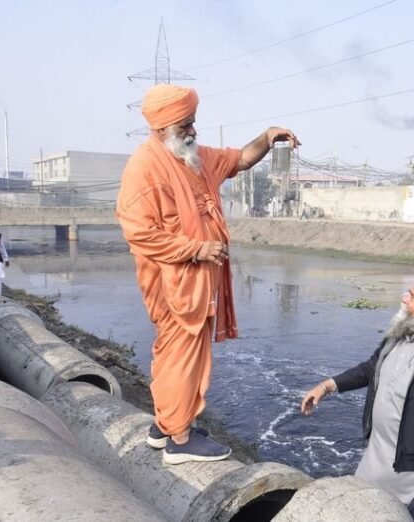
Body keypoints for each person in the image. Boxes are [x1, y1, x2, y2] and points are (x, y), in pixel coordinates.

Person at [116, 84, 300, 465]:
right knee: (181, 354)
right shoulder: (144, 167)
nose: (193, 131)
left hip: (197, 282)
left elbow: (242, 158)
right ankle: (180, 441)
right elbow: (139, 233)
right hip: (175, 284)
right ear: (163, 127)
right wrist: (197, 249)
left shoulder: (193, 158)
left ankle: (165, 425)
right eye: (186, 125)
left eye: (193, 123)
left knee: (176, 351)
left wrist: (268, 137)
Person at [301, 266, 414, 522]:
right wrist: (327, 386)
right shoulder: (397, 336)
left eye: (412, 296)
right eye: (408, 292)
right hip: (374, 462)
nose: (404, 298)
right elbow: (370, 369)